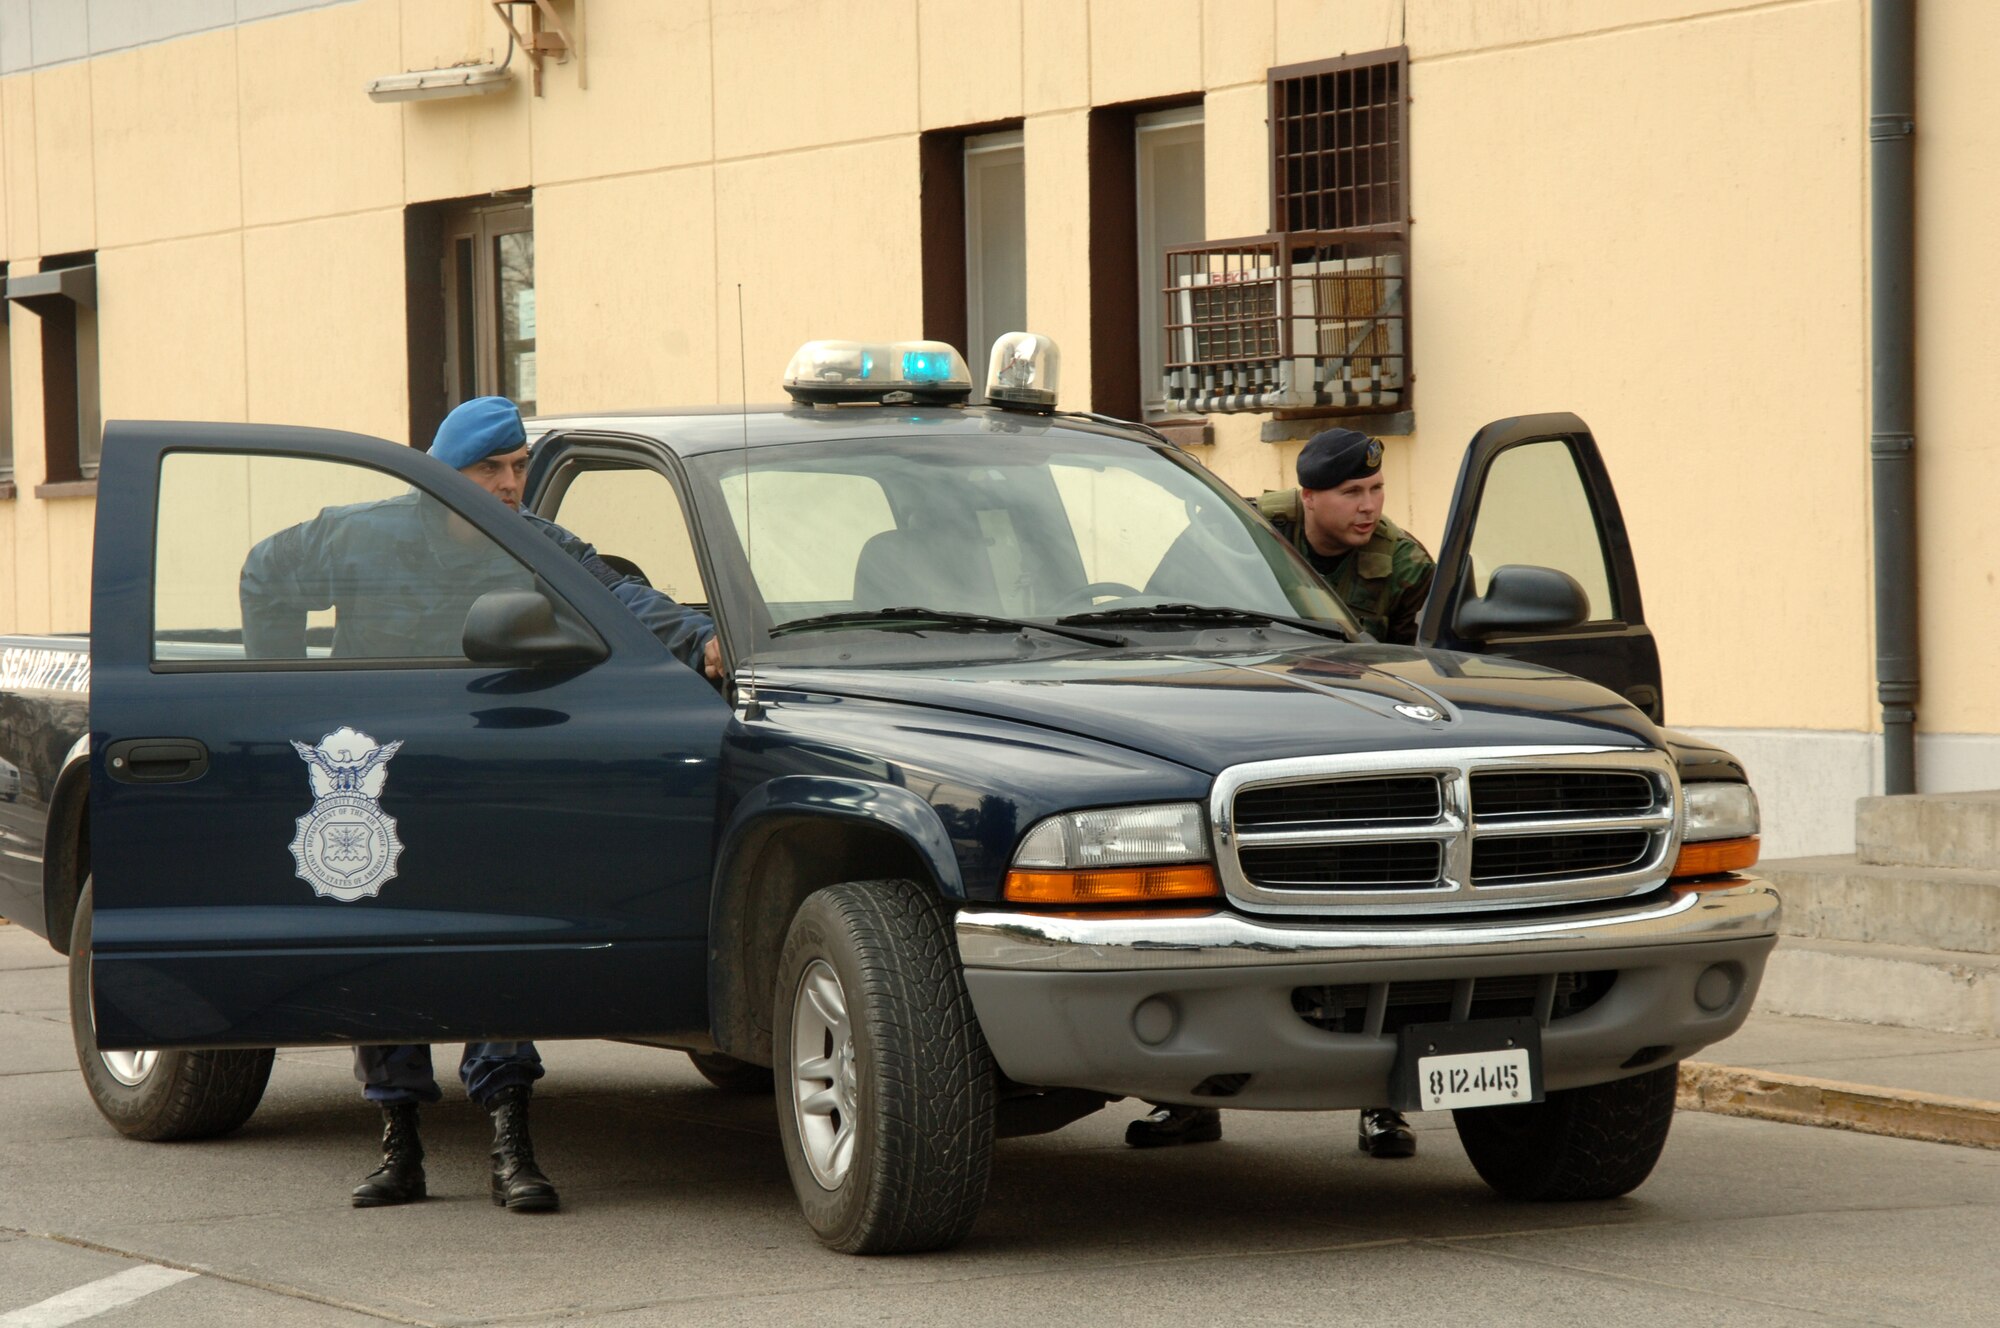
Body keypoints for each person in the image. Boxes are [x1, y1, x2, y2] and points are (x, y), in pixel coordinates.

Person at [241, 396, 721, 1212]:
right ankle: (400, 1143)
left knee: (498, 944)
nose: (507, 484)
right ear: (444, 473)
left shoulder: (531, 542)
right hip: (381, 771)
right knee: (383, 948)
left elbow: (616, 598)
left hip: (482, 773)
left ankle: (509, 1138)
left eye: (517, 467)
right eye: (489, 469)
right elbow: (264, 572)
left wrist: (701, 640)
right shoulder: (358, 533)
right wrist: (287, 685)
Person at [1124, 427, 1434, 1161]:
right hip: (1243, 737)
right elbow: (1155, 616)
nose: (1368, 508)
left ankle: (1384, 1107)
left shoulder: (1407, 564)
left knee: (1376, 930)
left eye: (1376, 490)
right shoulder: (1236, 531)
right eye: (1351, 493)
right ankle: (1187, 1102)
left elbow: (1427, 668)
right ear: (1309, 498)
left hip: (1365, 758)